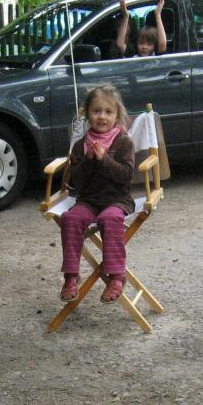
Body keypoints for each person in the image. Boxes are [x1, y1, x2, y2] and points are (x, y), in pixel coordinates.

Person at [59, 84, 135, 304]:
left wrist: (105, 160)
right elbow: (76, 182)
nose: (102, 116)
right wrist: (88, 160)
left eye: (108, 112)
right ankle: (71, 276)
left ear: (117, 115)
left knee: (109, 218)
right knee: (71, 218)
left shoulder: (123, 142)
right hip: (89, 200)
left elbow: (126, 176)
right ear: (87, 114)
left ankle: (116, 276)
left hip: (117, 200)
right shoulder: (80, 145)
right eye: (96, 111)